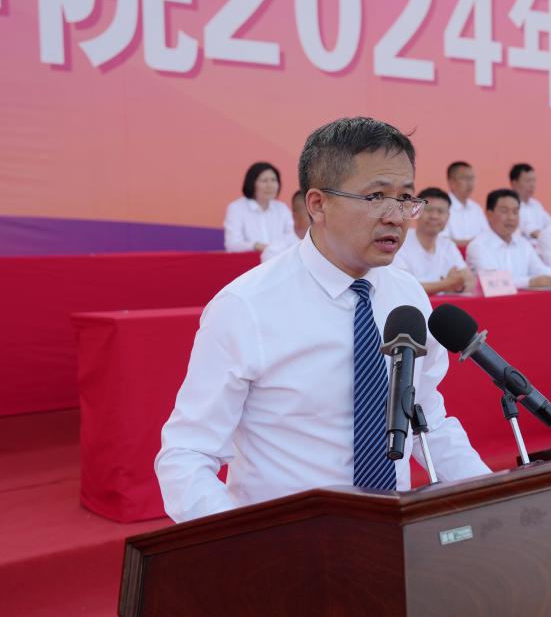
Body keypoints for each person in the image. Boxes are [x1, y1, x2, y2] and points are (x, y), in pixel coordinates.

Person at [156, 117, 490, 523]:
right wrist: (243, 544)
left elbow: (426, 417)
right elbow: (187, 453)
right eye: (376, 197)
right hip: (290, 541)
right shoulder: (246, 307)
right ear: (317, 204)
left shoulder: (408, 297)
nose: (396, 216)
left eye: (405, 198)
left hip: (394, 533)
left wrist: (492, 495)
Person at [466, 189, 551, 288]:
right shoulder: (478, 246)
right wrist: (529, 282)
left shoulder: (524, 244)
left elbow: (540, 269)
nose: (511, 218)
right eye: (504, 211)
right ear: (489, 214)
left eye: (515, 212)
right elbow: (493, 281)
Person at [393, 187, 475, 295]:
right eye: (428, 210)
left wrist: (457, 287)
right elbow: (404, 286)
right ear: (416, 211)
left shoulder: (448, 245)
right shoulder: (400, 241)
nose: (434, 216)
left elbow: (469, 279)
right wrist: (446, 284)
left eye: (441, 211)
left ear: (448, 216)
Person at [223, 161, 295, 254]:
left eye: (273, 180)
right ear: (252, 183)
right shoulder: (236, 208)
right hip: (249, 260)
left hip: (279, 259)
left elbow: (292, 237)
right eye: (264, 181)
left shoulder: (282, 208)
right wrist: (256, 246)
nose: (270, 185)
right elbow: (232, 245)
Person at [443, 161, 489, 247]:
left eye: (471, 178)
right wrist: (473, 244)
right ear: (452, 182)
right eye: (465, 178)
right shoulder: (443, 207)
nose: (470, 183)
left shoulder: (476, 208)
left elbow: (486, 236)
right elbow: (441, 240)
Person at [261, 190, 309, 262]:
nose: (318, 217)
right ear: (294, 215)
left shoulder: (324, 248)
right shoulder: (274, 251)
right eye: (310, 213)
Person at [510, 163, 551, 240]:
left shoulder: (536, 205)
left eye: (533, 180)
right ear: (514, 183)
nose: (532, 185)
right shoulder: (510, 205)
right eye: (528, 181)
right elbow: (529, 230)